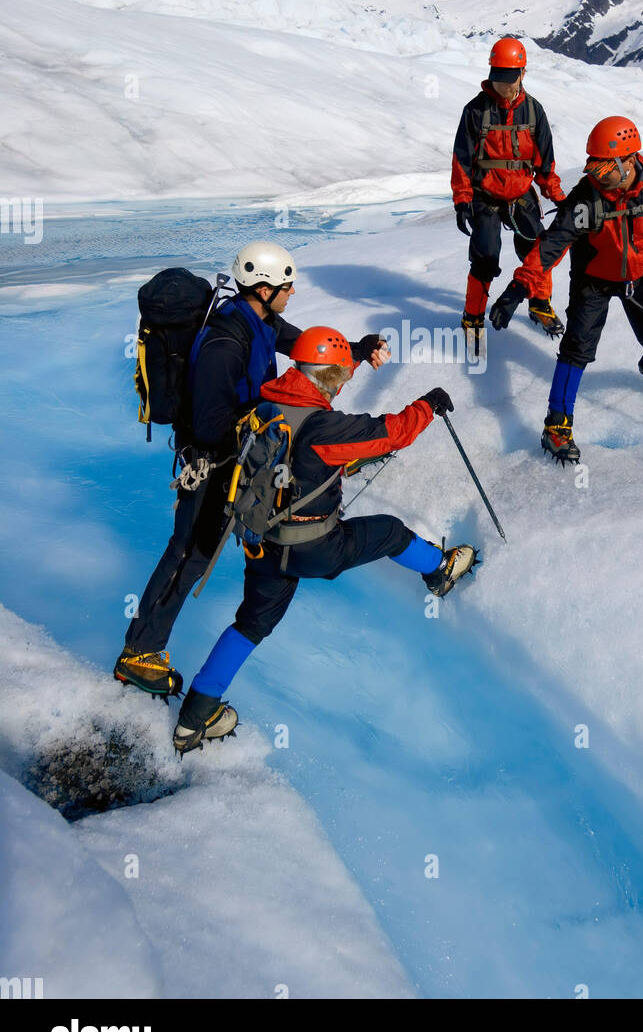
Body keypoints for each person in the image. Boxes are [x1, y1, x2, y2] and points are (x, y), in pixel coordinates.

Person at [172, 327, 478, 753]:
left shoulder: (267, 404)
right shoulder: (323, 426)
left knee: (251, 624)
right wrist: (428, 404)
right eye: (339, 377)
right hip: (315, 549)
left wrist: (356, 355)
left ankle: (194, 718)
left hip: (262, 543)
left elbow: (296, 457)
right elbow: (394, 433)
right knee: (389, 531)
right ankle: (440, 571)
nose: (342, 383)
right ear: (328, 377)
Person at [115, 243, 388, 697]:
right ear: (263, 288)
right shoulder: (226, 341)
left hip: (239, 465)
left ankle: (150, 648)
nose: (293, 291)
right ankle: (138, 653)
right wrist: (260, 419)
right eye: (286, 286)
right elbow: (208, 424)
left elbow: (303, 350)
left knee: (194, 554)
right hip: (212, 467)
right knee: (187, 554)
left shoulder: (260, 320)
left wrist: (355, 351)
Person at [489, 115, 643, 464]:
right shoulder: (586, 198)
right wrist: (517, 289)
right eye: (594, 167)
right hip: (593, 281)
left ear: (629, 160)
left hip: (641, 277)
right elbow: (552, 244)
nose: (597, 176)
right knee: (576, 349)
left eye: (604, 169)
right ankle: (556, 426)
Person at [450, 37, 567, 351]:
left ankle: (539, 303)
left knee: (537, 251)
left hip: (520, 195)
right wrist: (462, 201)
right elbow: (462, 159)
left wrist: (556, 195)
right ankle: (472, 316)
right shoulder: (475, 111)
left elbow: (545, 161)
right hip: (484, 197)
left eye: (508, 77)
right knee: (485, 257)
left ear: (522, 74)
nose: (502, 84)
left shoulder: (533, 112)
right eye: (496, 76)